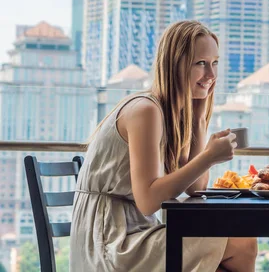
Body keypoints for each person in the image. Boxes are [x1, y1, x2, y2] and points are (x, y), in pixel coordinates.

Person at [70, 20, 257, 271]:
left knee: (238, 244)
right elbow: (148, 201)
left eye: (214, 63)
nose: (211, 75)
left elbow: (195, 187)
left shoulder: (169, 113)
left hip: (136, 230)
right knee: (242, 243)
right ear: (175, 65)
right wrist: (209, 158)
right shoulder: (146, 110)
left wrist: (199, 118)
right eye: (200, 63)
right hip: (111, 241)